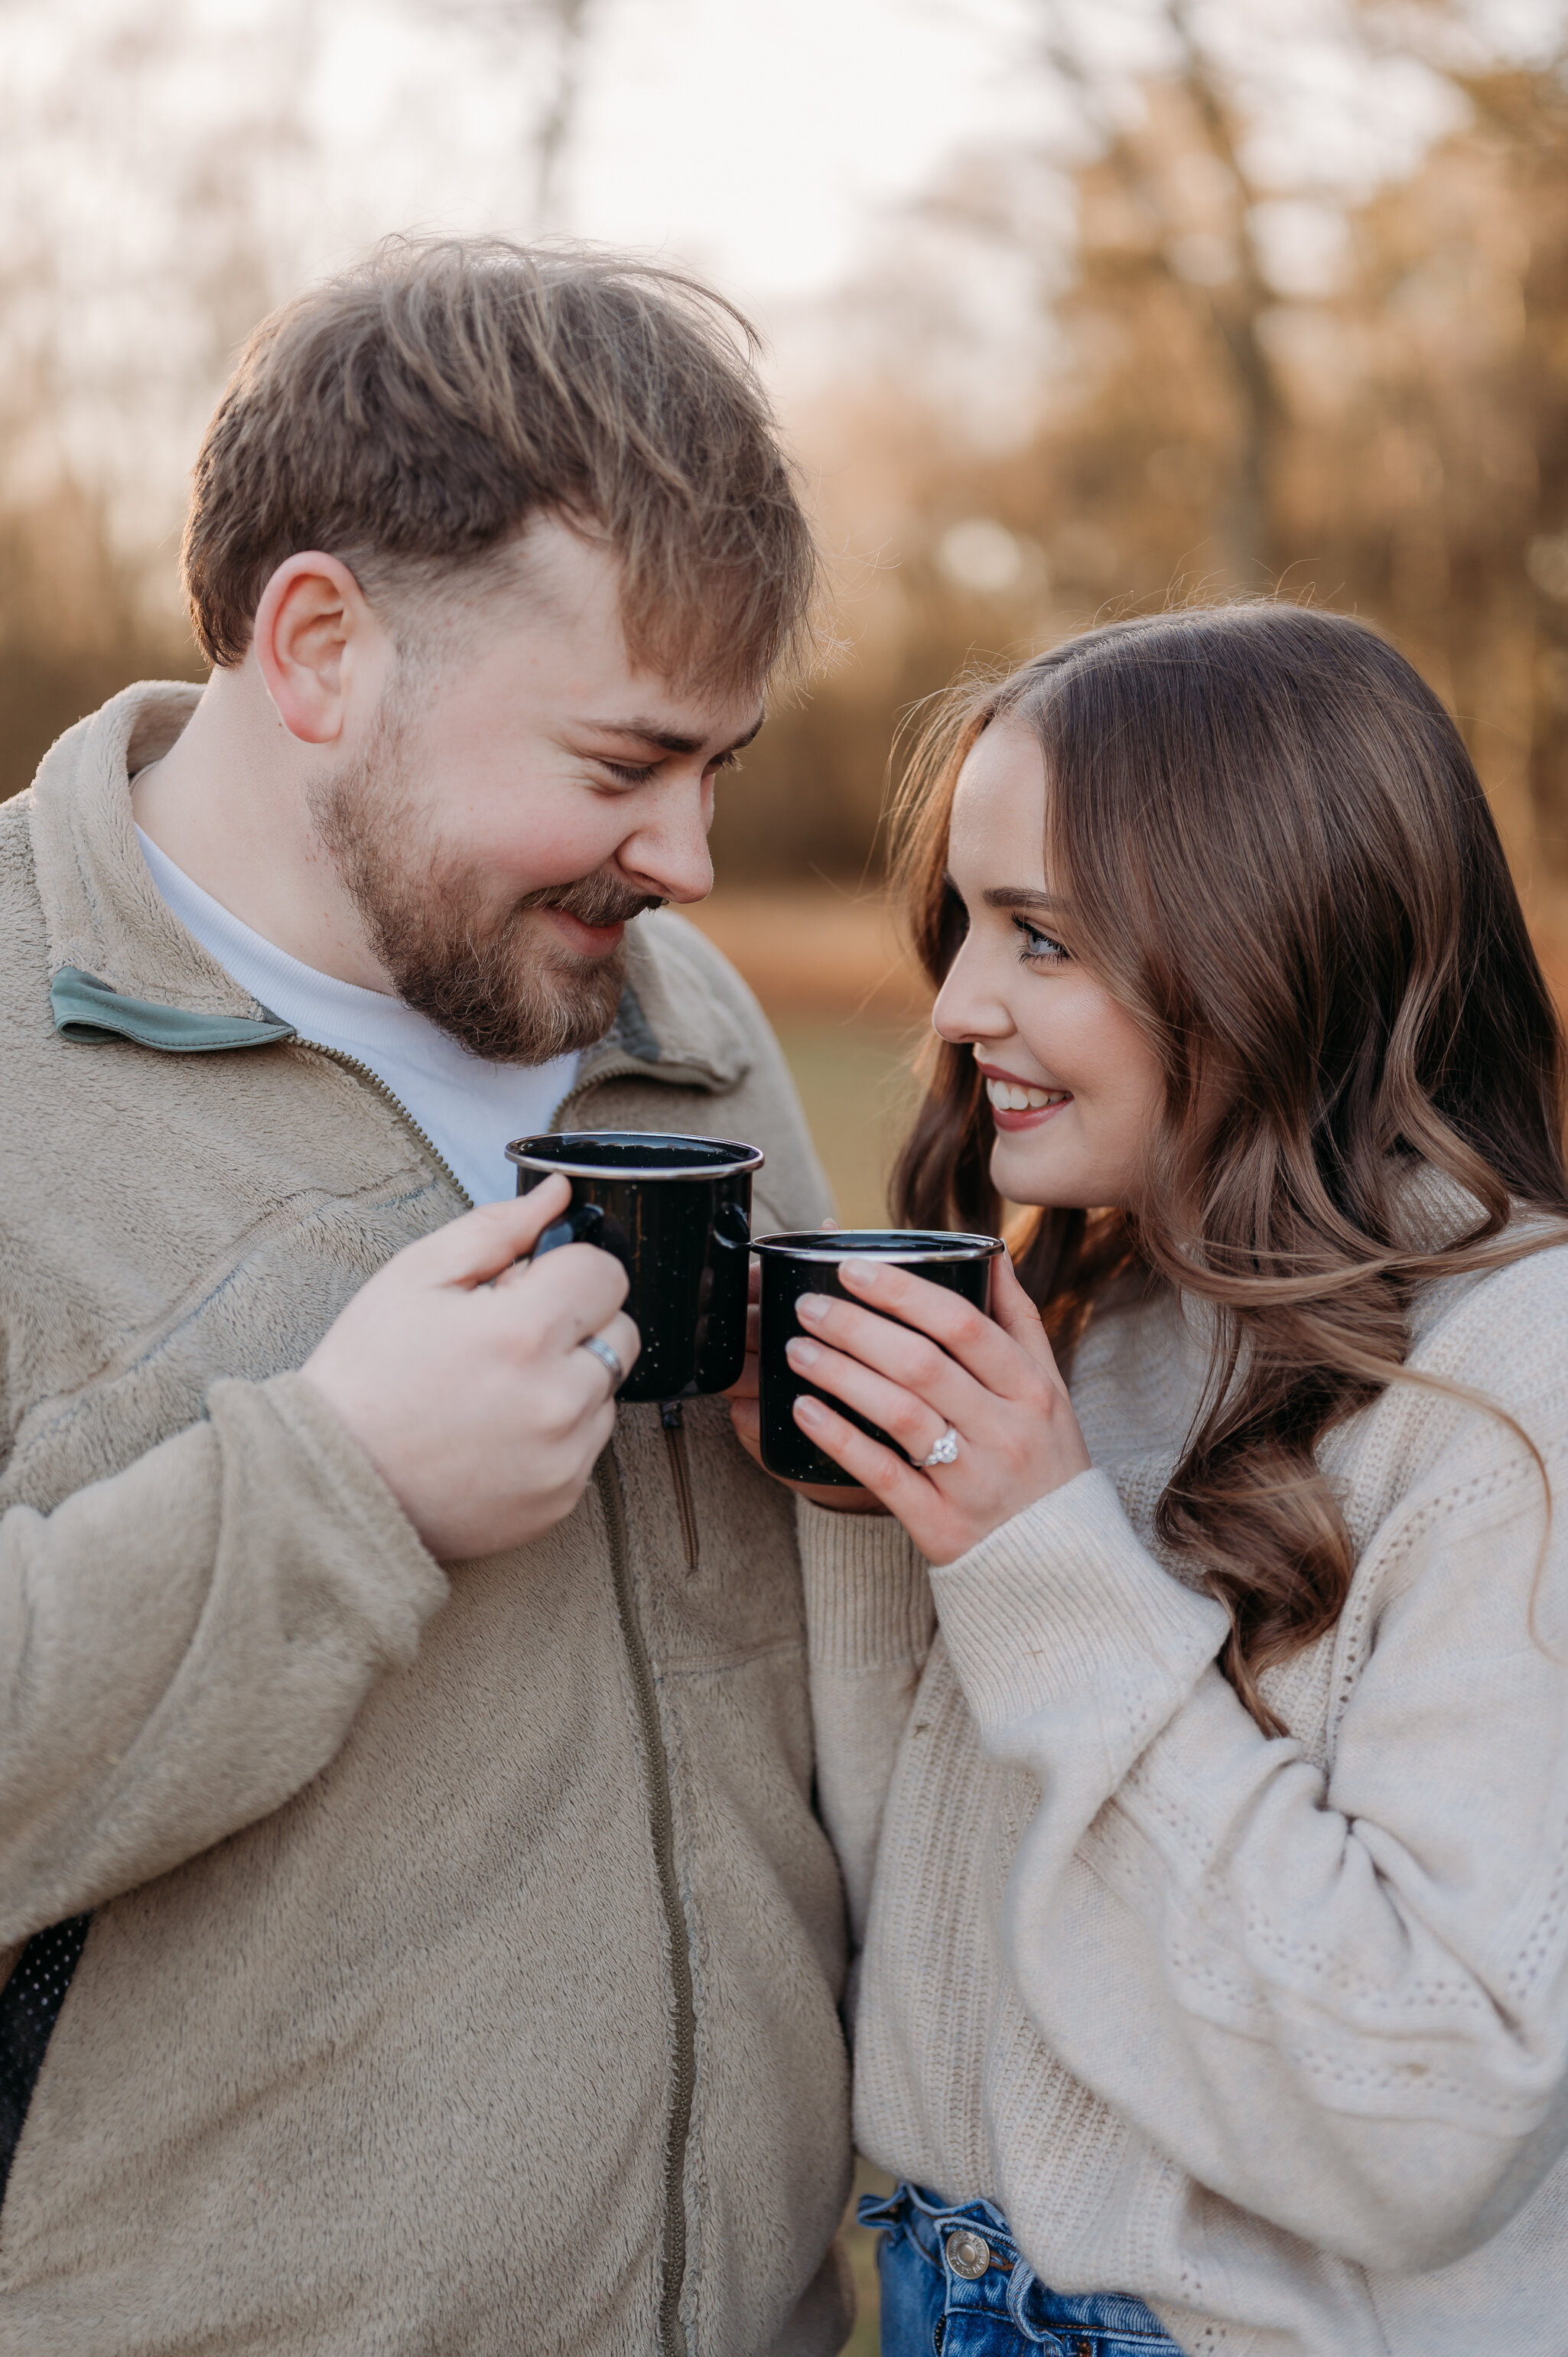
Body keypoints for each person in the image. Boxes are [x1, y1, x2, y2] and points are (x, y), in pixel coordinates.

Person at [0, 237, 856, 2357]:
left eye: (721, 768)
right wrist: (338, 1483)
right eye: (621, 762)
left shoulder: (695, 1026)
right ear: (320, 647)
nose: (690, 859)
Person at [730, 604, 1568, 2355]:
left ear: (1274, 938)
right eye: (964, 924)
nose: (956, 1006)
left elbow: (1423, 2108)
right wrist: (865, 1496)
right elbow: (971, 1898)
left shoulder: (1513, 1378)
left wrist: (1036, 1550)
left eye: (1039, 935)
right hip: (934, 2292)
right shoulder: (1092, 1296)